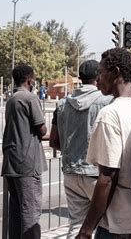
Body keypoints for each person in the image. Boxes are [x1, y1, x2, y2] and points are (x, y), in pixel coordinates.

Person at [77, 48, 131, 239]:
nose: (98, 79)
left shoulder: (110, 114)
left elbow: (107, 178)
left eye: (101, 73)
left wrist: (87, 229)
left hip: (118, 225)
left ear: (116, 72)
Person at [49, 60, 112, 238]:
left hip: (71, 173)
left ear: (80, 78)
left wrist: (72, 150)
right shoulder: (107, 102)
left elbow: (54, 141)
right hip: (97, 176)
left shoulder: (62, 104)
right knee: (104, 224)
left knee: (76, 225)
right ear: (99, 77)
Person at [2, 64, 48, 238]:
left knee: (16, 210)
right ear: (30, 80)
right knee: (31, 211)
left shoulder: (12, 98)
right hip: (27, 163)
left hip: (12, 161)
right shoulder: (29, 98)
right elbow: (41, 129)